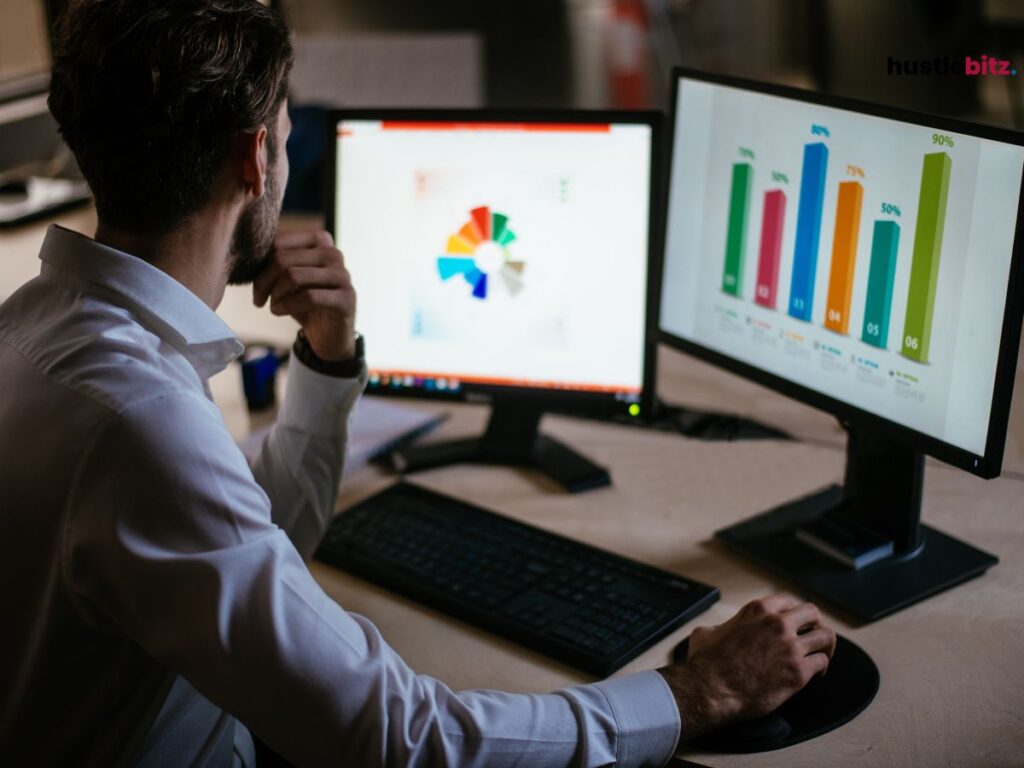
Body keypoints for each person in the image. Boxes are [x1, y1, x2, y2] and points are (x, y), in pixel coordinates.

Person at [0, 1, 836, 766]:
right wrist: (697, 694)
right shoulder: (140, 422)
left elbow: (247, 553)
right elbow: (397, 738)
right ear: (255, 157)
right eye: (287, 138)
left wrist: (328, 359)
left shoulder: (38, 325)